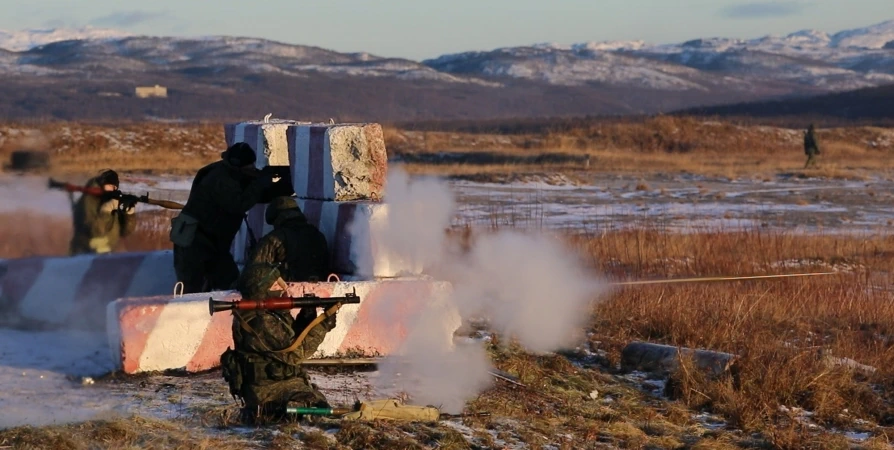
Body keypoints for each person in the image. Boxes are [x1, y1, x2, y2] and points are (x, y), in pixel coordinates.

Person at [220, 263, 338, 424]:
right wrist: (324, 325)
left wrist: (306, 318)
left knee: (318, 402)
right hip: (267, 391)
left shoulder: (269, 313)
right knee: (315, 408)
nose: (283, 287)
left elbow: (290, 340)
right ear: (262, 289)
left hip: (279, 383)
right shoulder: (259, 320)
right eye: (276, 284)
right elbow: (296, 353)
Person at [169, 142, 282, 294]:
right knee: (192, 292)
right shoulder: (220, 178)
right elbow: (239, 204)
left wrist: (275, 186)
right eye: (248, 167)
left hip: (214, 244)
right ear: (237, 166)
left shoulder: (231, 173)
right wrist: (259, 184)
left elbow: (253, 196)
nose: (251, 170)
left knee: (232, 287)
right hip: (195, 243)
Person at [248, 196, 331, 283]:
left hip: (287, 292)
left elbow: (253, 275)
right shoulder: (317, 234)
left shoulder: (274, 238)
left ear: (276, 219)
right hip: (320, 291)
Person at [69, 169, 136, 255]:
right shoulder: (89, 200)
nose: (112, 189)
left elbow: (124, 232)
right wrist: (106, 211)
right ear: (102, 184)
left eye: (115, 187)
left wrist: (129, 214)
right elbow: (95, 231)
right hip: (84, 254)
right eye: (110, 186)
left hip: (105, 253)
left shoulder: (110, 199)